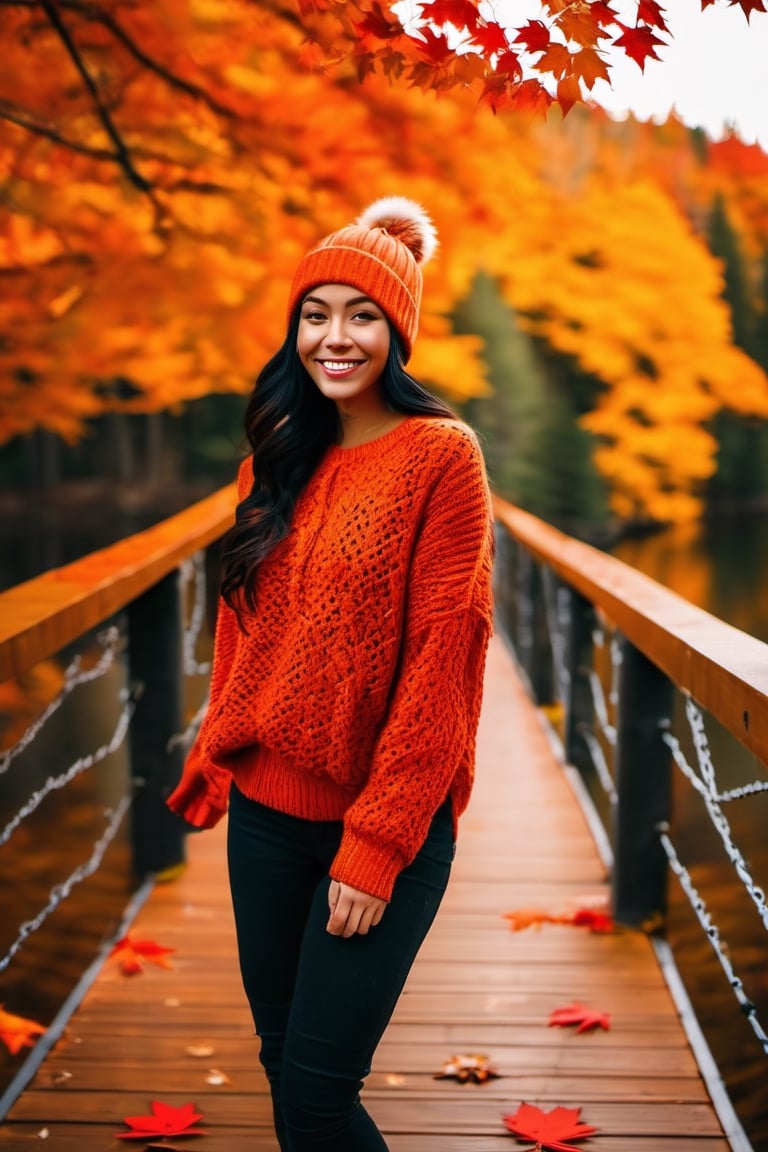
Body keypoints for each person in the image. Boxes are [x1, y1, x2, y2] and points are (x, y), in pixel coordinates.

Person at [166, 196, 495, 1151]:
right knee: (282, 1065)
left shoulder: (443, 458)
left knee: (315, 1096)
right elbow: (245, 629)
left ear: (399, 332)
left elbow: (447, 662)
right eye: (316, 313)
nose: (335, 337)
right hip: (265, 822)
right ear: (294, 329)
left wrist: (379, 842)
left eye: (363, 315)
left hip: (379, 829)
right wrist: (216, 747)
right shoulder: (271, 461)